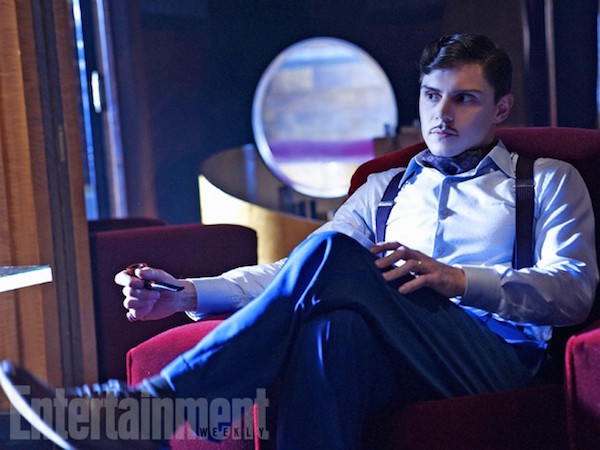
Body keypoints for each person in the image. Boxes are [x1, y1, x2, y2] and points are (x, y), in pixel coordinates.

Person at [1, 33, 598, 450]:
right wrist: (191, 292)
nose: (442, 113)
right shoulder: (387, 188)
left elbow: (573, 293)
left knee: (337, 260)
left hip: (495, 360)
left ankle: (152, 408)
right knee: (330, 331)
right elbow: (300, 270)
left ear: (501, 107)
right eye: (431, 95)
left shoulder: (545, 181)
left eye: (464, 98)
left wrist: (457, 279)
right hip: (397, 355)